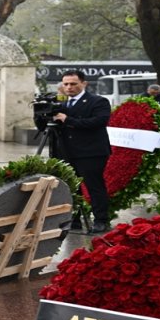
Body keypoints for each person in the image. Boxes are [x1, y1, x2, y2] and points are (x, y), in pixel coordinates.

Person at [52, 70, 112, 234]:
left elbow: (98, 121)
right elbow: (48, 128)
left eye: (73, 84)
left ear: (84, 84)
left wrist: (67, 120)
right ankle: (75, 220)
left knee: (94, 187)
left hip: (91, 152)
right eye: (66, 84)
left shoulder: (98, 101)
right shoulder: (60, 104)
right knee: (71, 188)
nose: (69, 88)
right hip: (67, 152)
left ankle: (101, 220)